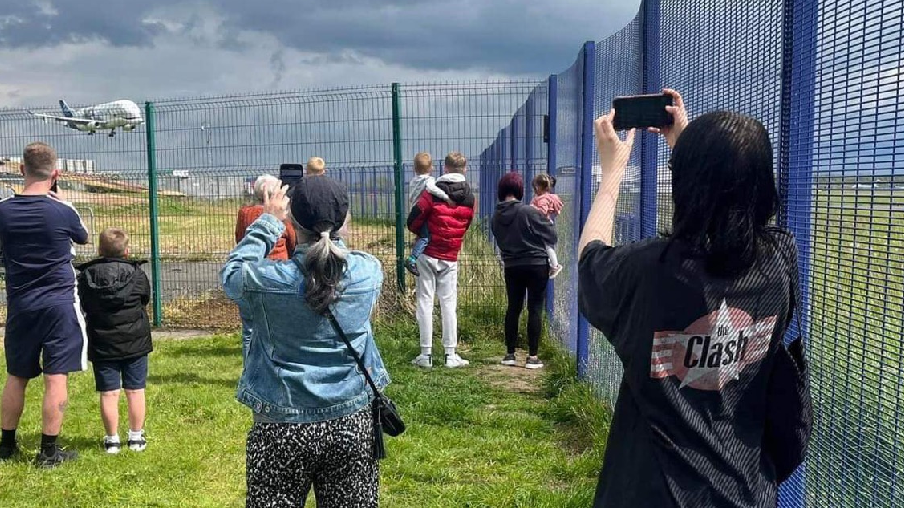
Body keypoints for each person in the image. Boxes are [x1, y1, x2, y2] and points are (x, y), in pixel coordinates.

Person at [578, 89, 808, 507]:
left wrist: (612, 173)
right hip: (746, 488)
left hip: (653, 492)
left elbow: (590, 259)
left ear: (684, 184)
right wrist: (690, 143)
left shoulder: (649, 271)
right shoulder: (781, 259)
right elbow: (731, 205)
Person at [222, 175, 389, 508]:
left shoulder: (266, 281)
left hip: (281, 423)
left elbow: (232, 275)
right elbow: (338, 260)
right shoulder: (369, 272)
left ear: (292, 221)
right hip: (351, 419)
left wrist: (268, 222)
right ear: (344, 220)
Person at [0, 142, 89, 468]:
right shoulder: (62, 211)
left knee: (16, 375)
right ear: (56, 174)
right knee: (56, 377)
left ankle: (7, 445)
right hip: (59, 304)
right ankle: (49, 453)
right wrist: (62, 201)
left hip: (20, 305)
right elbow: (83, 237)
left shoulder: (3, 211)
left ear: (21, 170)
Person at [76, 228, 152, 454]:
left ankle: (112, 439)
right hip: (134, 341)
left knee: (109, 392)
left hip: (102, 340)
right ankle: (136, 437)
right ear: (127, 251)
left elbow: (84, 303)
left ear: (99, 250)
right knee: (135, 390)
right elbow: (145, 298)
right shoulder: (136, 274)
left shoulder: (87, 276)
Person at [406, 152, 475, 369]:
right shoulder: (470, 196)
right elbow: (467, 222)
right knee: (448, 304)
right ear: (464, 169)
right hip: (450, 255)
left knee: (425, 302)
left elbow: (414, 218)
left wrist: (422, 233)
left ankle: (425, 355)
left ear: (444, 168)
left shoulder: (431, 191)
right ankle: (450, 354)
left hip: (428, 253)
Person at [492, 172, 557, 369]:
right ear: (520, 190)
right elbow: (551, 234)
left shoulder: (496, 217)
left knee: (514, 308)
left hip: (512, 266)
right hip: (537, 264)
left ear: (501, 191)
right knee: (535, 308)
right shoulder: (528, 211)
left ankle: (510, 354)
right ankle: (533, 356)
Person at [234, 174, 297, 358]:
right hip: (279, 272)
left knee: (250, 329)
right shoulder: (281, 216)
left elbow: (240, 240)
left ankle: (250, 365)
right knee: (281, 325)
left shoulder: (245, 213)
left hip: (252, 271)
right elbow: (292, 241)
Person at [404, 152, 454, 276]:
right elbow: (433, 189)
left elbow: (410, 197)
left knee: (422, 235)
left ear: (414, 168)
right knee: (426, 237)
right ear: (431, 167)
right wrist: (446, 197)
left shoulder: (413, 181)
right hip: (423, 212)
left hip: (414, 212)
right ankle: (412, 259)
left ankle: (417, 250)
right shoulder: (429, 180)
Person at [529, 173, 564, 278]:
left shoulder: (543, 199)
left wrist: (532, 209)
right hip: (543, 225)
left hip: (543, 226)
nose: (534, 189)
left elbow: (543, 212)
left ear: (540, 187)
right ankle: (550, 263)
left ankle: (555, 265)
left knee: (547, 247)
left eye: (536, 186)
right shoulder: (542, 197)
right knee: (545, 246)